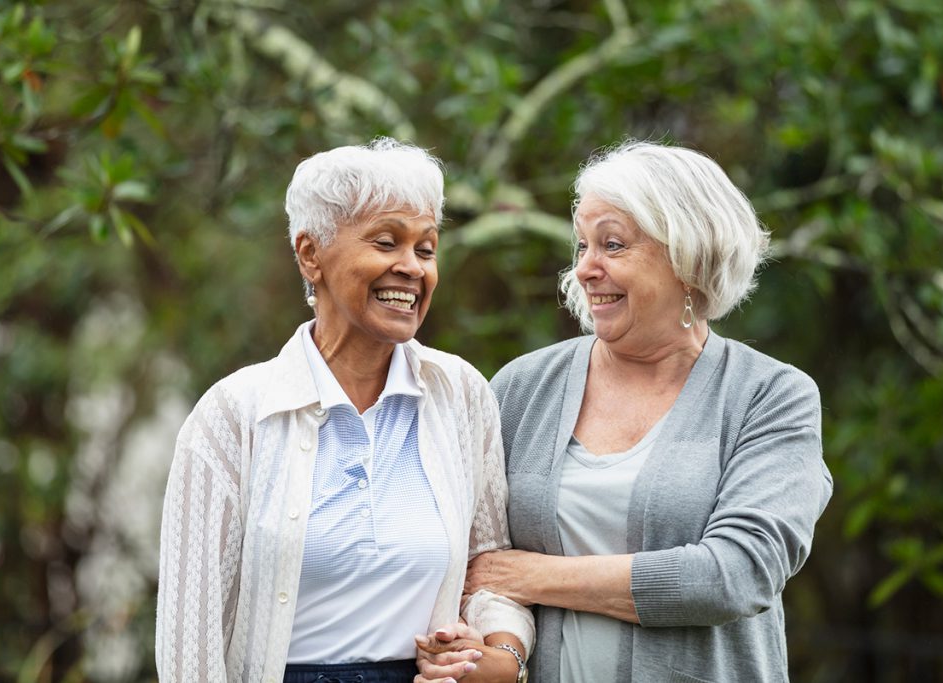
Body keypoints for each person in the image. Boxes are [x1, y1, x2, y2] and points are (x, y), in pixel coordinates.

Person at [419, 140, 833, 682]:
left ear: (689, 258)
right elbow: (475, 567)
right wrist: (486, 650)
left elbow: (734, 575)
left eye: (612, 245)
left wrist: (535, 576)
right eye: (583, 245)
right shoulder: (521, 388)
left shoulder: (769, 396)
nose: (586, 269)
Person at [156, 138, 533, 683]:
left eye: (426, 250)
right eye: (386, 242)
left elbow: (490, 569)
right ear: (311, 254)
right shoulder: (234, 414)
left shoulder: (461, 396)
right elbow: (188, 643)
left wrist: (498, 654)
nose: (411, 268)